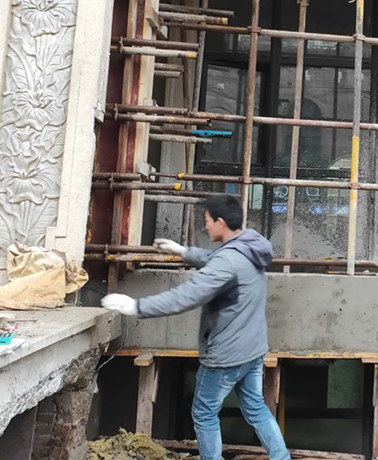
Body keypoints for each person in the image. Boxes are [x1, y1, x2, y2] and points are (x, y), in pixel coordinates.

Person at [101, 194, 289, 460]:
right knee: (257, 408)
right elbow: (217, 259)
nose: (206, 225)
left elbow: (187, 296)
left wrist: (137, 306)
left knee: (204, 412)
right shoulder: (248, 246)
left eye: (208, 220)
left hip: (226, 355)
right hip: (253, 349)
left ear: (221, 222)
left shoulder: (229, 260)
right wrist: (183, 251)